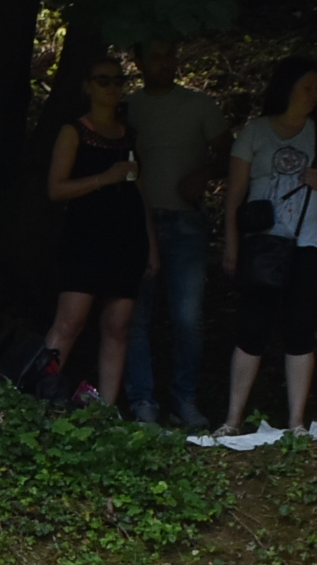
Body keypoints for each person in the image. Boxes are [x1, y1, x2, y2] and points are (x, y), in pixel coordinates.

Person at [218, 54, 317, 436]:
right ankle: (232, 419)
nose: (313, 94)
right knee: (253, 326)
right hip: (263, 244)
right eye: (306, 87)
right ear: (287, 87)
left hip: (311, 245)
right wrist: (232, 243)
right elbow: (235, 194)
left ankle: (296, 422)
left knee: (300, 327)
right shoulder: (256, 132)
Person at [36, 52, 156, 413]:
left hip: (127, 237)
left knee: (118, 325)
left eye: (118, 80)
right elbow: (56, 188)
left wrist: (151, 244)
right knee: (70, 321)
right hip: (85, 236)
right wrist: (104, 178)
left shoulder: (128, 135)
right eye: (103, 80)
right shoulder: (74, 132)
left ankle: (105, 409)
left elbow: (139, 190)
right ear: (88, 87)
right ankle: (38, 396)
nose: (112, 88)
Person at [122, 41, 225, 428]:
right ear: (139, 61)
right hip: (137, 222)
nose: (165, 63)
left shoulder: (199, 105)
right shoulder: (127, 108)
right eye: (156, 55)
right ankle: (142, 401)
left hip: (186, 221)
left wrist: (203, 175)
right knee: (136, 317)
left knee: (187, 317)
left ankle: (185, 399)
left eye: (169, 55)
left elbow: (229, 154)